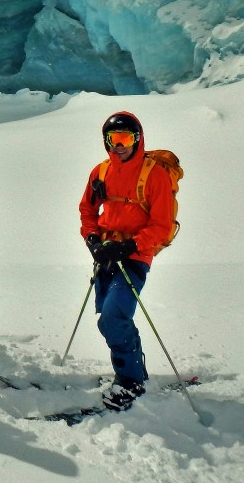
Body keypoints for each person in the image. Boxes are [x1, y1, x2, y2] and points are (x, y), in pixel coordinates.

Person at [79, 111, 175, 412]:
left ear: (138, 139)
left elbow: (162, 225)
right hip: (106, 255)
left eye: (126, 138)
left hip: (134, 257)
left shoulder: (154, 174)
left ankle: (130, 379)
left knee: (113, 316)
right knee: (108, 319)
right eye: (113, 139)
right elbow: (87, 211)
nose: (119, 145)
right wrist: (92, 239)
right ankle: (133, 369)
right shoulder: (101, 172)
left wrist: (131, 246)